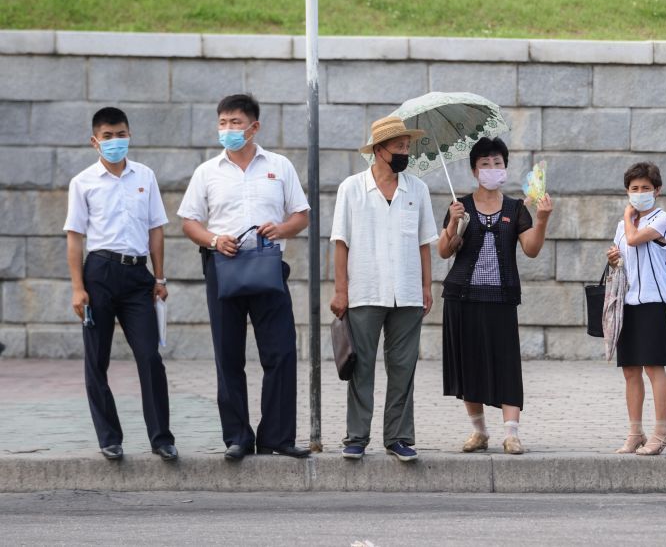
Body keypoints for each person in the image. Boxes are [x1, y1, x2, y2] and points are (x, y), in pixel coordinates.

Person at [179, 94, 311, 461]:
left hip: (268, 266)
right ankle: (237, 436)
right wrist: (214, 240)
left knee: (281, 353)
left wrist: (281, 229)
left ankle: (279, 437)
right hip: (224, 268)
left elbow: (302, 215)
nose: (228, 130)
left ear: (255, 127)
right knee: (228, 355)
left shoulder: (279, 166)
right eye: (223, 123)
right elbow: (189, 221)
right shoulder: (208, 172)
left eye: (235, 123)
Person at [64, 107, 176, 462]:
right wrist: (77, 287)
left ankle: (161, 438)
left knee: (150, 357)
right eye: (108, 136)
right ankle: (109, 437)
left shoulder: (145, 176)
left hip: (136, 276)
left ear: (131, 135)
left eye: (121, 134)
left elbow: (156, 229)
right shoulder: (83, 182)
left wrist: (159, 277)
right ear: (94, 141)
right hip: (99, 274)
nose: (116, 141)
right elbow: (75, 238)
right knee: (97, 360)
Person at [329, 117, 439, 462]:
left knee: (404, 367)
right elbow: (341, 243)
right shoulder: (351, 188)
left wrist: (426, 285)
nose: (405, 153)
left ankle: (399, 437)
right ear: (379, 151)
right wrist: (340, 290)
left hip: (407, 291)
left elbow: (424, 242)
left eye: (407, 146)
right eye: (399, 147)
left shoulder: (417, 189)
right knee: (360, 366)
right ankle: (357, 437)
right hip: (364, 290)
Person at [437, 138, 552, 455]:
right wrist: (453, 224)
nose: (492, 169)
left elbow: (531, 249)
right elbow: (445, 251)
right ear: (474, 170)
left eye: (497, 163)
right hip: (462, 295)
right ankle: (479, 432)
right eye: (485, 164)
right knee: (469, 363)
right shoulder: (459, 205)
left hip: (501, 298)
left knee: (506, 362)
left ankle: (511, 433)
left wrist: (541, 219)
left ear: (505, 167)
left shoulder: (516, 209)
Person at [605, 162, 666, 456]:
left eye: (645, 188)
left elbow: (636, 240)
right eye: (634, 189)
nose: (639, 193)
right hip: (628, 303)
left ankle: (662, 432)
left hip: (654, 302)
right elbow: (623, 256)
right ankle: (636, 432)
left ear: (657, 190)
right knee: (630, 370)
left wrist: (627, 216)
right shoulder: (622, 226)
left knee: (653, 368)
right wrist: (613, 258)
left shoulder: (663, 218)